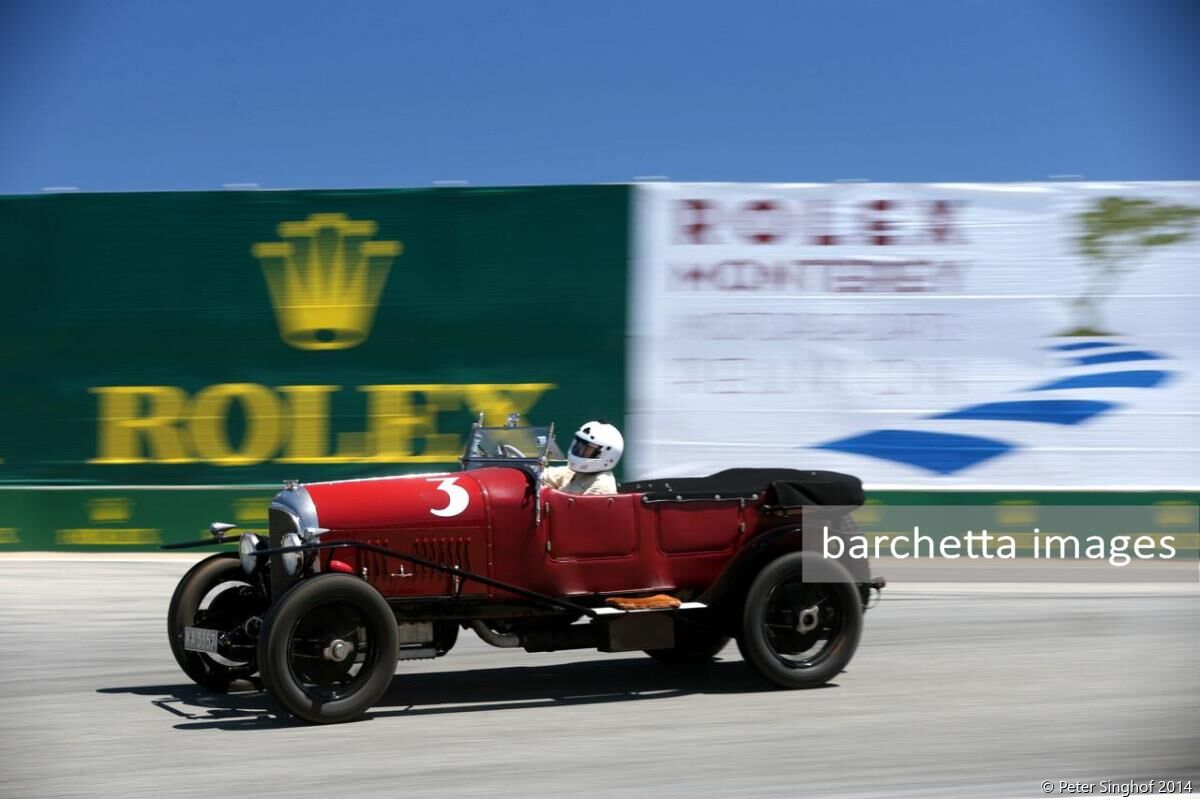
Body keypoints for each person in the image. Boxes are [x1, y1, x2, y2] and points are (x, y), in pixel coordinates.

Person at [540, 420, 623, 496]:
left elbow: (574, 511)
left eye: (586, 449)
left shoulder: (601, 486)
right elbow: (541, 475)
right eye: (579, 445)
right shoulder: (573, 472)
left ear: (605, 455)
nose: (580, 450)